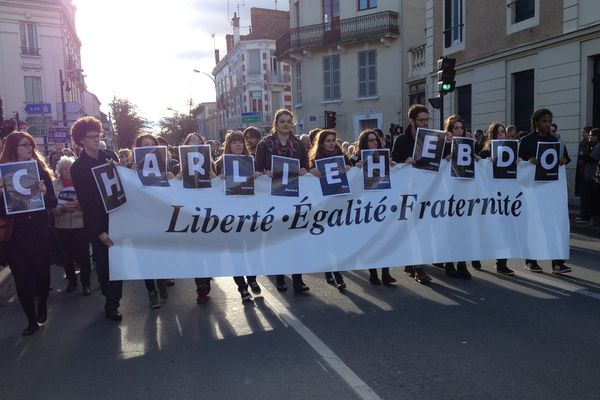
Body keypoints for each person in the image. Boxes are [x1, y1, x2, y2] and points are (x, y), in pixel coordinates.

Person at [0, 131, 57, 336]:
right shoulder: (1, 173)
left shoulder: (40, 171)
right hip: (16, 235)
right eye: (24, 145)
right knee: (21, 278)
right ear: (12, 148)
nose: (29, 148)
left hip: (39, 231)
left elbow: (53, 203)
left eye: (31, 145)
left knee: (43, 276)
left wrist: (44, 193)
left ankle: (42, 302)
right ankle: (31, 320)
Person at [70, 117, 123, 321]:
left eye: (98, 135)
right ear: (81, 140)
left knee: (117, 263)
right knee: (102, 265)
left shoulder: (110, 156)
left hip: (118, 217)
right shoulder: (78, 167)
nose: (96, 140)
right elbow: (86, 202)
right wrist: (99, 230)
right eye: (91, 137)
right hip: (97, 222)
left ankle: (113, 304)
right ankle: (108, 295)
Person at [255, 109, 310, 294]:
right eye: (282, 121)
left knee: (296, 240)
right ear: (276, 124)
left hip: (294, 197)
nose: (286, 124)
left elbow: (305, 166)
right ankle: (279, 278)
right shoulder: (265, 144)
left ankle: (298, 279)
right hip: (273, 199)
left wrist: (304, 171)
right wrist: (264, 173)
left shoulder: (299, 145)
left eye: (289, 121)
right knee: (277, 240)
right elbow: (258, 169)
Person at [518, 108, 572, 274]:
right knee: (534, 225)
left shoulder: (555, 142)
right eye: (544, 121)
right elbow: (517, 161)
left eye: (549, 121)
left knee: (555, 225)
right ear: (536, 123)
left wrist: (563, 160)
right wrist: (528, 161)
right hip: (532, 191)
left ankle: (557, 262)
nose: (547, 124)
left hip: (551, 191)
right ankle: (531, 260)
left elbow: (565, 158)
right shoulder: (526, 141)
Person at [214, 131, 263, 301]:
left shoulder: (251, 161)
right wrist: (218, 179)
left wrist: (259, 177)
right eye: (234, 142)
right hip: (229, 215)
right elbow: (212, 189)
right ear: (228, 144)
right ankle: (242, 288)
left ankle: (252, 279)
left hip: (249, 213)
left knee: (251, 250)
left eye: (240, 142)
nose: (238, 145)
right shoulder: (220, 163)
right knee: (236, 252)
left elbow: (261, 186)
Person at [390, 104, 432, 284]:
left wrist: (447, 150)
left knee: (422, 229)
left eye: (427, 119)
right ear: (412, 121)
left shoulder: (432, 138)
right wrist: (403, 162)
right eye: (421, 120)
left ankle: (416, 265)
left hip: (427, 190)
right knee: (411, 229)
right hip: (406, 192)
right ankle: (417, 268)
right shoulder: (401, 140)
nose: (425, 123)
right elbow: (393, 162)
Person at [351, 129, 397, 285]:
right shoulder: (356, 156)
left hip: (382, 201)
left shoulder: (383, 156)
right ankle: (373, 273)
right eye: (370, 140)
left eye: (375, 140)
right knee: (370, 240)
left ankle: (385, 273)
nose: (374, 143)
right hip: (366, 204)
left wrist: (392, 165)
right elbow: (348, 172)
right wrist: (355, 167)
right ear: (364, 142)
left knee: (384, 238)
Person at [131, 134, 173, 308]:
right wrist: (131, 173)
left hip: (160, 215)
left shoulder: (166, 166)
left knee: (160, 253)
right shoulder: (131, 167)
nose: (148, 147)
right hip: (141, 217)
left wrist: (172, 178)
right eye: (144, 145)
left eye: (151, 144)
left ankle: (161, 282)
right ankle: (151, 291)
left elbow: (174, 192)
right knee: (144, 256)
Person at [308, 129, 349, 292]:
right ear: (322, 142)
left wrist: (351, 168)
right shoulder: (314, 159)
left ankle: (332, 271)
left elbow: (355, 172)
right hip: (323, 206)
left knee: (337, 241)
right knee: (328, 241)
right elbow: (307, 179)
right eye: (328, 141)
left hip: (339, 203)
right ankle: (337, 275)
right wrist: (312, 173)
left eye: (334, 140)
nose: (332, 143)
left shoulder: (343, 157)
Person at [441, 115, 477, 279]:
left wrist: (478, 159)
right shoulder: (444, 144)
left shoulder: (468, 146)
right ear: (450, 130)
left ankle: (462, 264)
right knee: (450, 230)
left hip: (464, 193)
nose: (459, 131)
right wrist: (445, 156)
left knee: (464, 230)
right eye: (456, 128)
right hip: (448, 194)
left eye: (461, 128)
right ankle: (449, 263)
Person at [52, 155, 92, 295]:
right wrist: (62, 208)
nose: (67, 171)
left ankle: (86, 283)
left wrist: (79, 205)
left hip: (80, 224)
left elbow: (90, 202)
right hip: (62, 226)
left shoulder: (82, 183)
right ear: (59, 171)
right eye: (63, 169)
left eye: (69, 169)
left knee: (84, 255)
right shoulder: (54, 185)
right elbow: (51, 206)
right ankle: (72, 281)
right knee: (66, 256)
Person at [580, 128, 600, 228]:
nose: (590, 137)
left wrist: (584, 154)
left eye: (592, 135)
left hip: (595, 178)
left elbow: (593, 159)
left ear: (597, 136)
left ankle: (594, 220)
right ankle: (593, 219)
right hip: (589, 176)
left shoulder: (598, 147)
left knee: (594, 199)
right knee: (591, 198)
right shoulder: (592, 146)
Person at [575, 126, 593, 221]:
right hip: (581, 170)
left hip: (587, 171)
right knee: (582, 193)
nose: (583, 134)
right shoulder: (582, 143)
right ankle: (583, 214)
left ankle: (587, 215)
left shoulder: (590, 144)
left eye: (585, 132)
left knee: (586, 194)